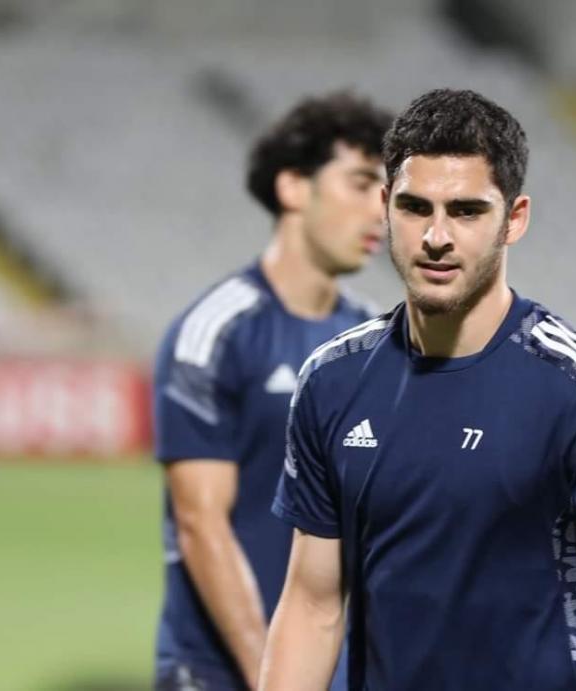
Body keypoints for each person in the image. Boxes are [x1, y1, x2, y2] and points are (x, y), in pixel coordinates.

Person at [261, 89, 576, 690]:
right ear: (385, 206)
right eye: (415, 207)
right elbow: (313, 607)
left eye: (466, 211)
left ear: (514, 219)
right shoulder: (332, 381)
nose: (436, 236)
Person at [152, 91, 393, 691]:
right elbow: (200, 523)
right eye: (361, 184)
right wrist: (272, 675)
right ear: (293, 188)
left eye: (386, 191)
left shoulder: (377, 343)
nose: (381, 211)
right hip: (218, 671)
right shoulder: (215, 333)